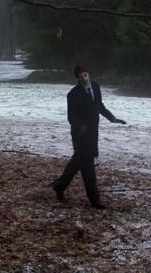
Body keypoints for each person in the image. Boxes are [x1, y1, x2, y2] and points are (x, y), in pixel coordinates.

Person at [50, 65, 126, 209]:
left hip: (93, 133)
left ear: (89, 74)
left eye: (85, 75)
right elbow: (71, 117)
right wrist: (81, 126)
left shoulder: (96, 87)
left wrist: (112, 118)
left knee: (76, 164)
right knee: (88, 167)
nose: (84, 79)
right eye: (81, 77)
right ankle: (94, 200)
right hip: (80, 135)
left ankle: (59, 186)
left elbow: (99, 106)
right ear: (77, 79)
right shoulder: (73, 94)